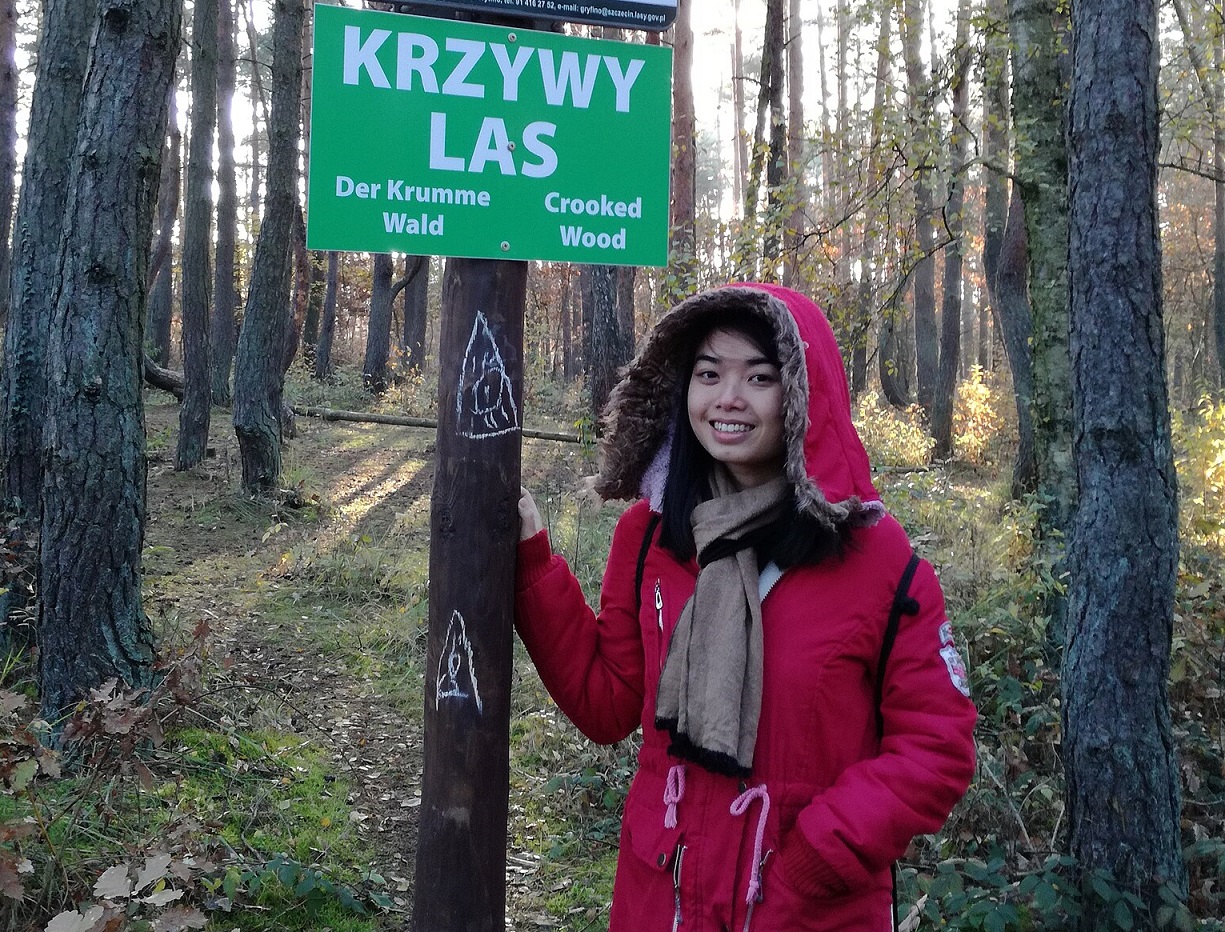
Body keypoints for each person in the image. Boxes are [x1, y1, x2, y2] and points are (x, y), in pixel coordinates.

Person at [515, 283, 976, 931]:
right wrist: (532, 563)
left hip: (803, 907)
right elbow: (606, 704)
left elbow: (937, 744)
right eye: (708, 374)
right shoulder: (650, 535)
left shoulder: (874, 556)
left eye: (759, 377)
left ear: (802, 398)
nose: (726, 398)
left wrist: (818, 853)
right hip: (662, 896)